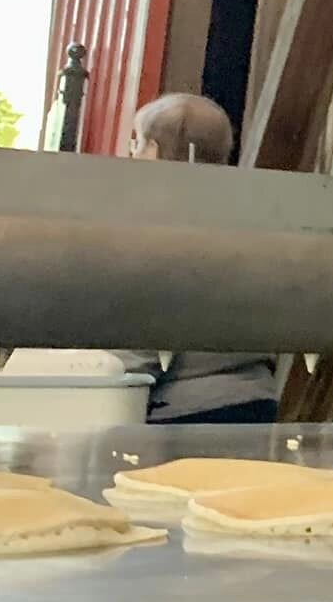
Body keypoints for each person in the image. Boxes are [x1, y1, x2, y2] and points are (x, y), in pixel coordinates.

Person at [120, 94, 280, 424]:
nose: (130, 154)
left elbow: (141, 334)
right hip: (256, 400)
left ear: (152, 150)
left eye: (135, 143)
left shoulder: (159, 225)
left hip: (181, 413)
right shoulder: (253, 221)